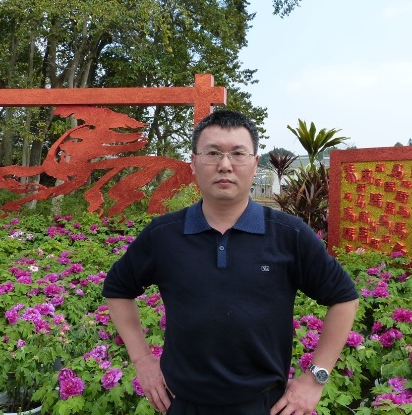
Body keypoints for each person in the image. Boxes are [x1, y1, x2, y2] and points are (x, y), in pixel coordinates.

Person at [102, 109, 359, 415]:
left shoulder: (288, 234)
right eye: (212, 153)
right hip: (182, 403)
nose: (225, 165)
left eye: (238, 153)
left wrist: (316, 378)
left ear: (255, 163)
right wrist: (142, 360)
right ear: (193, 162)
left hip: (265, 405)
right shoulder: (163, 235)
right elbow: (118, 288)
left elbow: (344, 297)